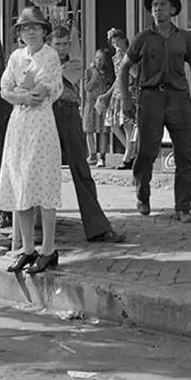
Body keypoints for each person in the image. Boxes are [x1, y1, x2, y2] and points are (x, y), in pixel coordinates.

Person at [118, 0, 191, 222]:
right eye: (154, 6)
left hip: (178, 99)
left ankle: (183, 207)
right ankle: (142, 196)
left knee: (184, 154)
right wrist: (126, 99)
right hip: (150, 99)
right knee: (146, 153)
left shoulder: (183, 37)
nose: (158, 9)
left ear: (172, 9)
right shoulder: (143, 38)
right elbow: (124, 67)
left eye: (163, 5)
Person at [0, 7, 64, 275]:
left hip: (41, 124)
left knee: (43, 184)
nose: (31, 32)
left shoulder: (49, 56)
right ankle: (27, 248)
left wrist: (21, 93)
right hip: (19, 126)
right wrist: (19, 95)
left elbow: (42, 90)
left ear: (44, 31)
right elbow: (4, 89)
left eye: (36, 27)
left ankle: (48, 249)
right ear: (20, 33)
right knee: (20, 185)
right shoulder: (16, 57)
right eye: (26, 28)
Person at [50, 26, 125, 243]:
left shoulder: (74, 64)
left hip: (68, 113)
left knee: (81, 170)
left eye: (66, 44)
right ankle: (39, 228)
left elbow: (54, 83)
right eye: (58, 44)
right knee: (43, 172)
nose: (62, 49)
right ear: (50, 44)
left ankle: (97, 227)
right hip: (45, 115)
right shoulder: (40, 60)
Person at [96, 28, 139, 169]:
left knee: (128, 125)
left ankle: (127, 157)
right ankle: (130, 151)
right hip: (117, 94)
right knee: (114, 125)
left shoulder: (131, 54)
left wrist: (125, 62)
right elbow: (117, 78)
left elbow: (134, 73)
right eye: (113, 43)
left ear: (124, 39)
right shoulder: (115, 57)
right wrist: (107, 94)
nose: (117, 45)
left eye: (118, 41)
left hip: (129, 92)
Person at [82, 47, 114, 167]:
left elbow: (110, 85)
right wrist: (95, 75)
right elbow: (86, 88)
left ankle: (102, 156)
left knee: (103, 130)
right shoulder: (89, 71)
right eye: (97, 58)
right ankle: (92, 154)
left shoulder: (108, 73)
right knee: (89, 129)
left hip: (102, 103)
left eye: (101, 59)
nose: (98, 61)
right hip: (91, 102)